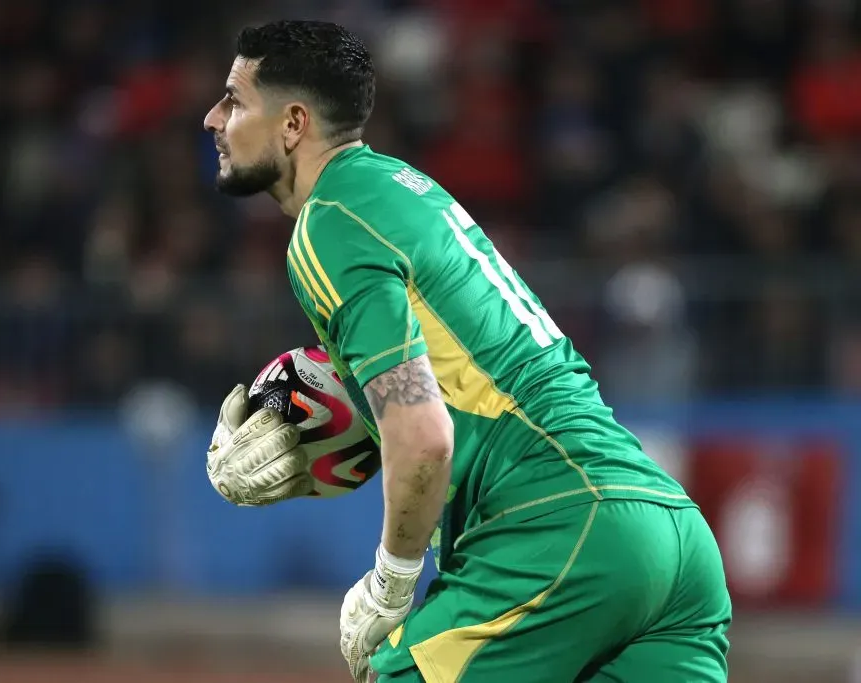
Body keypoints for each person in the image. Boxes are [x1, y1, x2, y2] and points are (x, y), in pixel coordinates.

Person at [203, 20, 731, 683]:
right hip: (665, 529)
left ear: (293, 124)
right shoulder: (400, 190)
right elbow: (450, 379)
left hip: (557, 528)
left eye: (234, 100)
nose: (212, 118)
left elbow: (423, 437)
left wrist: (389, 584)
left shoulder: (330, 224)